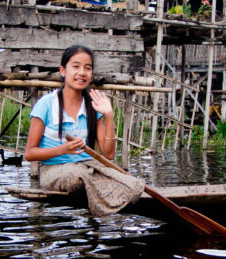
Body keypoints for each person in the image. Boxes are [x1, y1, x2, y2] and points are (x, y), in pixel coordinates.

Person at [24, 45, 144, 216]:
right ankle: (104, 203)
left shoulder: (92, 106)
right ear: (63, 71)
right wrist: (63, 149)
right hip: (55, 170)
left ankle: (105, 198)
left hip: (89, 166)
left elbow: (108, 154)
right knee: (76, 176)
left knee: (135, 183)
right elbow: (29, 153)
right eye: (76, 66)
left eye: (87, 68)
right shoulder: (46, 103)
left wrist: (109, 115)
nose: (82, 72)